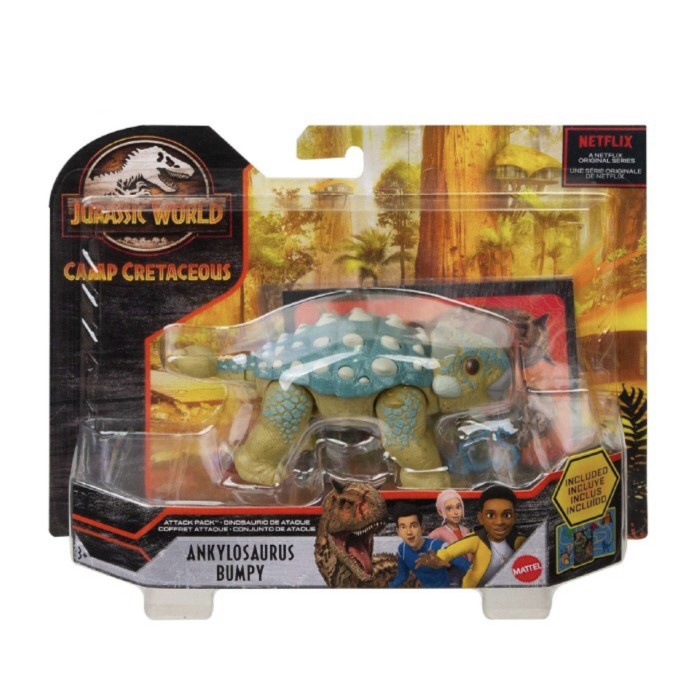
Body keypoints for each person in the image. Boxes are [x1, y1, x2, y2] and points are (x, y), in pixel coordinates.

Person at [417, 485, 525, 587]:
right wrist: (437, 560)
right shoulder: (476, 539)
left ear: (514, 518)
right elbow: (450, 551)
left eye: (507, 515)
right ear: (481, 518)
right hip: (469, 585)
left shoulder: (519, 540)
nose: (499, 522)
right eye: (490, 515)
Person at [388, 503, 467, 588]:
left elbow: (467, 566)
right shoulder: (402, 550)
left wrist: (444, 564)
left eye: (413, 526)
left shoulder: (439, 546)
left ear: (422, 528)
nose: (409, 532)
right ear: (398, 532)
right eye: (403, 527)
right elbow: (402, 575)